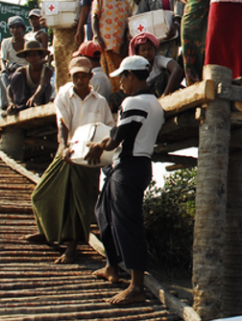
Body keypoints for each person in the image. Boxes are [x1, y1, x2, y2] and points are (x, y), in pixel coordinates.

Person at [86, 55, 164, 306]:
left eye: (123, 76)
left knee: (126, 223)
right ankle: (112, 266)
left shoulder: (133, 102)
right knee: (103, 213)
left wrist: (99, 146)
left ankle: (137, 285)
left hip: (130, 167)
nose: (121, 82)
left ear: (131, 76)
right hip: (131, 166)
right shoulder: (152, 102)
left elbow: (118, 137)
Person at [27, 57, 114, 264]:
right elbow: (62, 124)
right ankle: (48, 231)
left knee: (79, 203)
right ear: (70, 76)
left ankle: (72, 248)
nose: (80, 80)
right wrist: (64, 146)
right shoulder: (64, 95)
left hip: (89, 155)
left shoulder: (100, 101)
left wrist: (102, 150)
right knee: (42, 193)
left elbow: (109, 128)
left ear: (90, 77)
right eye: (76, 76)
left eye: (84, 76)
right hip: (68, 149)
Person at [91, 0, 136, 93]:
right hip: (104, 45)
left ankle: (117, 100)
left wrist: (126, 43)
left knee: (119, 76)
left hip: (120, 47)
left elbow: (129, 26)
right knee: (105, 76)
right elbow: (95, 17)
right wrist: (97, 36)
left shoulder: (125, 4)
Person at [129, 32, 184, 97]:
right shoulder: (136, 68)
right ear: (137, 54)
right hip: (147, 97)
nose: (147, 52)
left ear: (155, 50)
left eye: (149, 49)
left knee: (164, 76)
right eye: (143, 50)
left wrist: (165, 95)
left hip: (162, 94)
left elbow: (176, 69)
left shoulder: (157, 60)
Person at [6, 40, 55, 113]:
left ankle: (36, 104)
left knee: (47, 86)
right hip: (25, 97)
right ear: (26, 58)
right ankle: (20, 104)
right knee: (16, 76)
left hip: (39, 98)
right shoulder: (22, 70)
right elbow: (10, 88)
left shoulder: (47, 71)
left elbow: (42, 85)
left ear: (40, 56)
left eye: (34, 55)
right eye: (29, 55)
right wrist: (11, 102)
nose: (32, 58)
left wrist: (34, 97)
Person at [0, 16, 29, 110]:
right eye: (12, 27)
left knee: (18, 76)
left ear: (23, 28)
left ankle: (20, 102)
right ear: (10, 30)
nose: (15, 30)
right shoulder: (6, 42)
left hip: (24, 70)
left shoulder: (28, 43)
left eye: (18, 27)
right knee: (2, 77)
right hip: (11, 69)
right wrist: (3, 69)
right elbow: (2, 59)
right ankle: (5, 105)